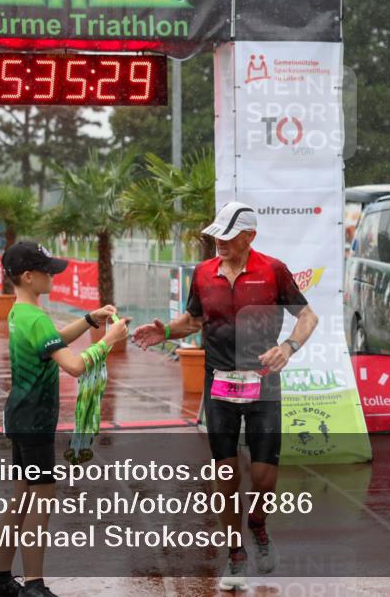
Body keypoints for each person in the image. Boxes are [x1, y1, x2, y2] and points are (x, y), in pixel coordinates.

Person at [132, 202, 319, 591]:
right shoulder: (203, 273)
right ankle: (235, 552)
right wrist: (164, 332)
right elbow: (194, 320)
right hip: (219, 384)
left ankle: (258, 526)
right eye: (216, 235)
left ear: (249, 236)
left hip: (263, 383)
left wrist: (288, 347)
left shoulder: (273, 270)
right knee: (226, 476)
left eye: (228, 236)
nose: (219, 242)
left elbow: (308, 317)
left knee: (265, 479)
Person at [0, 241, 129, 597]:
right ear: (28, 277)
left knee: (21, 498)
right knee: (41, 499)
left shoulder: (21, 313)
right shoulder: (35, 317)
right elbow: (74, 366)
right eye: (47, 271)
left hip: (21, 417)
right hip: (34, 423)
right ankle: (33, 586)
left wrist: (90, 320)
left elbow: (53, 343)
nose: (53, 276)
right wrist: (108, 340)